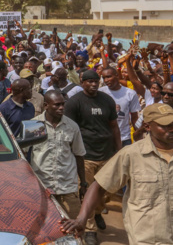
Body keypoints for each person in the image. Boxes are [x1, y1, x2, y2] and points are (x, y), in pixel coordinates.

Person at [60, 103, 173, 245]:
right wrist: (81, 219)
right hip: (148, 238)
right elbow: (100, 186)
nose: (171, 129)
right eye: (165, 125)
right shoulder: (131, 154)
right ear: (148, 126)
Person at [64, 70, 121, 245]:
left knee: (107, 192)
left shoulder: (107, 100)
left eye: (96, 81)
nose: (94, 84)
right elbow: (69, 130)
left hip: (107, 154)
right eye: (89, 81)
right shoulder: (74, 103)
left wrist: (119, 151)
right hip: (86, 155)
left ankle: (97, 212)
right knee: (87, 192)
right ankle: (90, 230)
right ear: (82, 83)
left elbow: (114, 127)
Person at [30, 91, 86, 219]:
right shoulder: (34, 125)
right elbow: (23, 153)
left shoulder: (72, 126)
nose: (61, 108)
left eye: (62, 104)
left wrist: (83, 184)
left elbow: (79, 155)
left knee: (73, 223)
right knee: (46, 223)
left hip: (67, 186)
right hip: (43, 186)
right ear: (46, 105)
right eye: (57, 105)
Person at [99, 67, 141, 147]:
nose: (106, 80)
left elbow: (134, 117)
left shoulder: (130, 93)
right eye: (104, 78)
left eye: (108, 77)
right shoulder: (100, 93)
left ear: (117, 76)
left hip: (125, 138)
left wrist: (139, 134)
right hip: (105, 138)